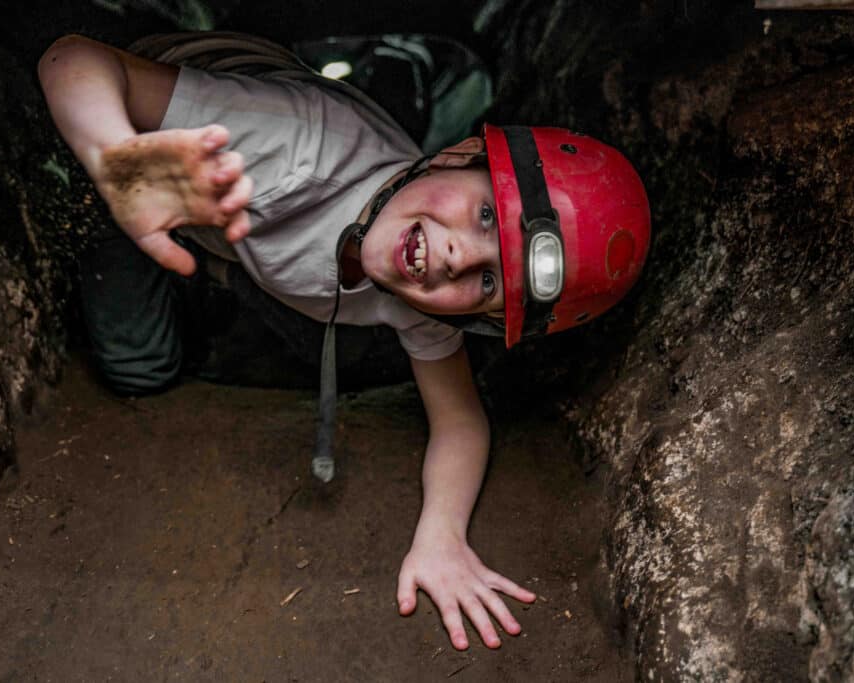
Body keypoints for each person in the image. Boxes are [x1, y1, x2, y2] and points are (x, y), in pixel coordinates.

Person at [37, 32, 650, 652]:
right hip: (153, 135)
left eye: (489, 280)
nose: (459, 255)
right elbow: (73, 58)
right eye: (487, 215)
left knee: (313, 325)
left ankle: (224, 267)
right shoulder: (296, 141)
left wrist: (442, 537)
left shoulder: (429, 294)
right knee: (140, 366)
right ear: (457, 154)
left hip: (250, 233)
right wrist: (119, 163)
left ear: (482, 321)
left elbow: (461, 423)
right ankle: (394, 65)